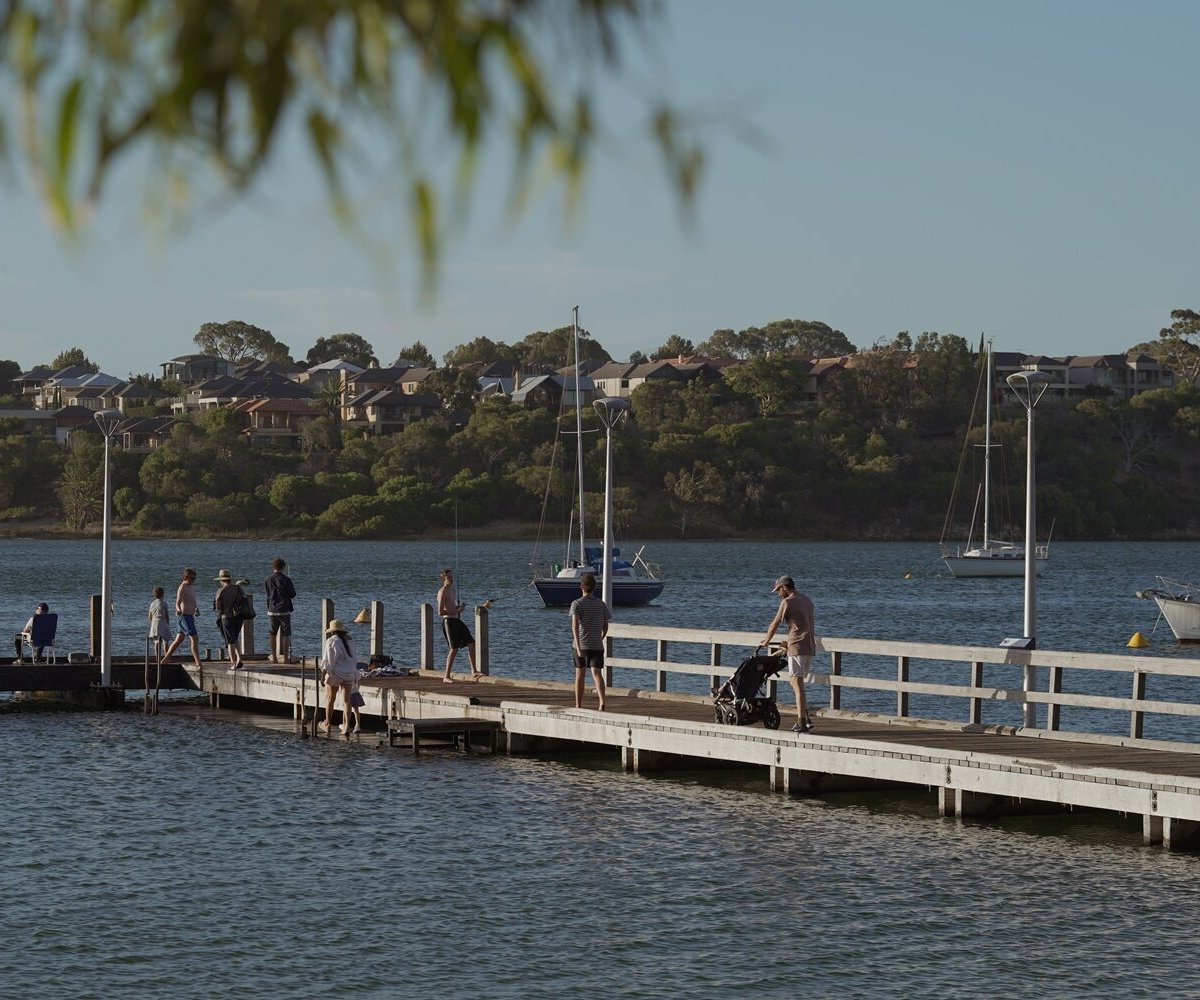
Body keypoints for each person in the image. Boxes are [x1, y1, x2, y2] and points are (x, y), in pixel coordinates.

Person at [762, 575, 817, 733]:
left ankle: (802, 722)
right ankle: (805, 716)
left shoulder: (786, 602)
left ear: (785, 587)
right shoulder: (807, 600)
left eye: (779, 590)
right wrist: (788, 641)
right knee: (794, 681)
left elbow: (775, 623)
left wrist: (766, 640)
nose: (778, 593)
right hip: (809, 646)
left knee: (797, 684)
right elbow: (801, 624)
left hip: (797, 647)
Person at [569, 572, 611, 710]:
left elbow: (574, 626)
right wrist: (601, 637)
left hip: (581, 644)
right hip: (597, 644)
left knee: (580, 674)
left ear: (581, 586)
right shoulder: (601, 604)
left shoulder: (576, 604)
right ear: (594, 588)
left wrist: (579, 645)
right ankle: (601, 702)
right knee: (597, 673)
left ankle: (578, 705)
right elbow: (606, 625)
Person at [438, 568, 481, 682]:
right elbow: (441, 612)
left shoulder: (452, 590)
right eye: (448, 578)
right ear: (443, 579)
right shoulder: (443, 591)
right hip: (448, 622)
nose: (451, 579)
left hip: (457, 620)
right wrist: (457, 611)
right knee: (454, 648)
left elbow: (451, 607)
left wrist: (459, 607)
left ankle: (474, 670)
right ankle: (446, 676)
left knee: (471, 642)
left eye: (452, 577)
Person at [320, 619, 359, 734]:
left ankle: (327, 724)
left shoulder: (331, 641)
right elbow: (354, 658)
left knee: (330, 699)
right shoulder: (350, 640)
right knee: (347, 701)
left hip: (336, 673)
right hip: (349, 673)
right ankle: (346, 726)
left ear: (332, 631)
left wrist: (323, 677)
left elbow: (328, 661)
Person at [162, 568, 202, 668]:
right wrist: (178, 610)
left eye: (195, 578)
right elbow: (177, 602)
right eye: (192, 578)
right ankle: (198, 662)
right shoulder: (182, 587)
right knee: (194, 639)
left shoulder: (191, 587)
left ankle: (165, 659)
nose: (193, 580)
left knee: (179, 639)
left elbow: (193, 600)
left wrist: (196, 609)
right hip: (184, 616)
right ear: (186, 577)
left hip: (190, 616)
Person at [264, 557, 297, 664]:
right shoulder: (286, 579)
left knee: (272, 634)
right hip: (284, 609)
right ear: (283, 567)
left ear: (273, 567)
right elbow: (293, 594)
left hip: (272, 609)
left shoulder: (267, 579)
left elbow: (268, 594)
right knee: (286, 634)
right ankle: (286, 658)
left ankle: (274, 657)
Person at [212, 569, 245, 669]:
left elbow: (218, 607)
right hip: (239, 617)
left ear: (221, 580)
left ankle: (232, 662)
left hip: (227, 617)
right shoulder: (238, 588)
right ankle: (239, 659)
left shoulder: (220, 591)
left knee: (229, 641)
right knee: (235, 638)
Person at [147, 587, 171, 662]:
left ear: (154, 595)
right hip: (163, 623)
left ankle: (157, 658)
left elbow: (149, 617)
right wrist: (168, 624)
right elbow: (167, 616)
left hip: (154, 623)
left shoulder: (152, 604)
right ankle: (166, 658)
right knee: (165, 641)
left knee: (156, 642)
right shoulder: (164, 604)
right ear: (163, 594)